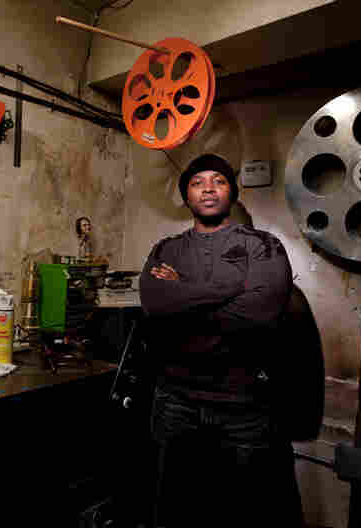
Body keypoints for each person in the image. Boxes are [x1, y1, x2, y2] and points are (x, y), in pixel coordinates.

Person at [139, 153, 304, 527]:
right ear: (186, 197)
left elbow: (259, 316)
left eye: (219, 180)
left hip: (242, 402)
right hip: (175, 399)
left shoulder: (263, 245)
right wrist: (230, 288)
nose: (208, 189)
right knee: (173, 505)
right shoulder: (167, 249)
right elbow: (155, 302)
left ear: (233, 191)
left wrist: (184, 293)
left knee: (242, 510)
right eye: (198, 183)